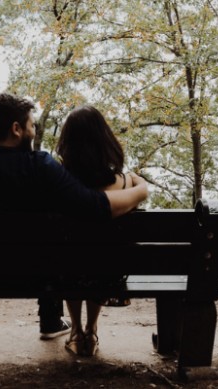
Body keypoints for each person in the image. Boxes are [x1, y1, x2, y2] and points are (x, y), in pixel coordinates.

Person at [0, 93, 148, 341]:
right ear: (16, 129)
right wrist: (140, 191)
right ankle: (53, 321)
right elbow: (95, 206)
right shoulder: (41, 168)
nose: (34, 130)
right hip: (33, 277)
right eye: (31, 125)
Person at [55, 105, 134, 356]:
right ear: (105, 140)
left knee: (70, 260)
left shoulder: (60, 183)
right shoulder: (123, 183)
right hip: (108, 273)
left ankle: (76, 331)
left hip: (66, 271)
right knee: (100, 259)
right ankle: (91, 329)